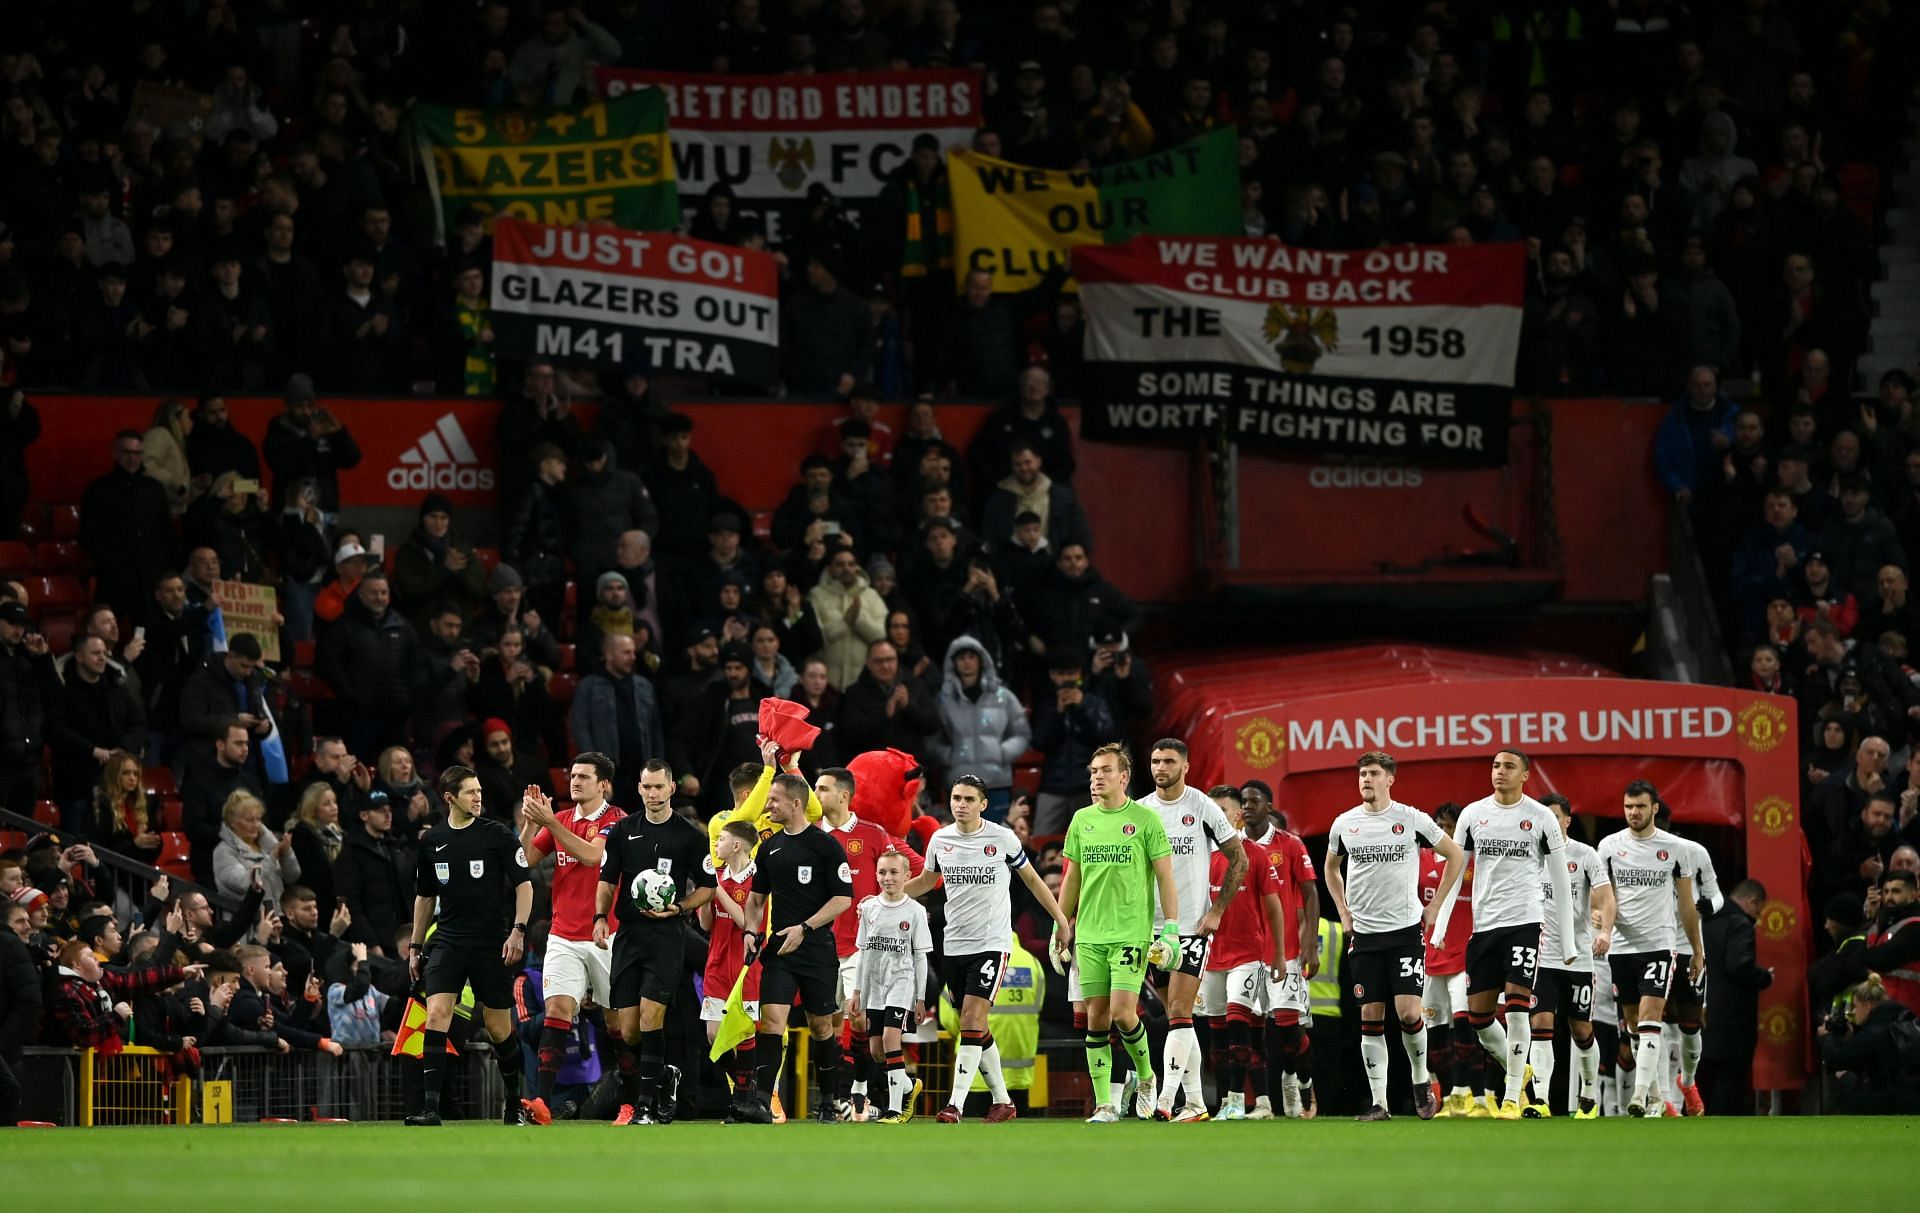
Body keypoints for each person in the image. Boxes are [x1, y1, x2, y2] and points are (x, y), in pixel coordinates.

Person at [904, 775, 1071, 1123]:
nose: (960, 804)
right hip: (953, 945)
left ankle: (956, 1104)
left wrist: (1060, 919)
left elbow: (1032, 880)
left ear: (983, 804)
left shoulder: (1002, 838)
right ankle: (1003, 1101)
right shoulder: (941, 839)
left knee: (970, 1020)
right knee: (976, 1026)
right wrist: (887, 898)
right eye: (956, 798)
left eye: (968, 799)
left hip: (992, 943)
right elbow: (926, 882)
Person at [1324, 751, 1464, 1121]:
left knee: (1408, 1013)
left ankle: (1421, 1081)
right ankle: (1379, 1103)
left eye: (1373, 774)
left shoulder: (1410, 819)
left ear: (1389, 779)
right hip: (1366, 936)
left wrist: (1434, 909)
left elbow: (1455, 856)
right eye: (1362, 774)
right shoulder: (1345, 824)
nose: (1365, 780)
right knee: (1370, 1016)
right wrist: (1342, 910)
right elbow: (1330, 868)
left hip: (1403, 932)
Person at [405, 765, 534, 1126]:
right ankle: (431, 1109)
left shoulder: (496, 836)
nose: (479, 797)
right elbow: (425, 897)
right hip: (448, 940)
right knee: (436, 1014)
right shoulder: (432, 842)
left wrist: (519, 930)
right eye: (471, 792)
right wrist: (416, 945)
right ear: (450, 798)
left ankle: (513, 1104)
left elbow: (524, 884)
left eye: (480, 791)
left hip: (490, 942)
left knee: (498, 1028)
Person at [1453, 748, 1576, 1119]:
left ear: (1525, 774)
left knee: (1518, 1007)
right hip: (1484, 925)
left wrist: (1567, 941)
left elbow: (1560, 880)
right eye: (1495, 765)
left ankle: (1510, 1099)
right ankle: (1519, 1071)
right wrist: (1440, 924)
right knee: (1478, 1019)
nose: (1499, 772)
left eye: (1508, 766)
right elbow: (1455, 871)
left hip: (1524, 921)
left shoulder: (1540, 818)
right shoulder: (1473, 815)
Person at [1060, 743, 1177, 1123]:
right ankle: (1105, 1104)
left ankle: (1145, 1077)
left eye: (1105, 770)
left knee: (1124, 1014)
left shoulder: (1144, 821)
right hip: (1089, 934)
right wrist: (1060, 927)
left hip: (1130, 932)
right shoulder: (1081, 820)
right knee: (1095, 1018)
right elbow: (1071, 878)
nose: (1097, 777)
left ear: (1123, 776)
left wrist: (1171, 928)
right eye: (1094, 771)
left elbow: (1165, 877)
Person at [593, 759, 714, 1125]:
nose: (653, 793)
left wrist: (679, 907)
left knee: (650, 1017)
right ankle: (665, 1076)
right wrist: (600, 917)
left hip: (666, 936)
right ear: (639, 788)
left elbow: (709, 886)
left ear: (672, 788)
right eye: (647, 787)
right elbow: (607, 881)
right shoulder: (622, 831)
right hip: (629, 935)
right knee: (627, 1029)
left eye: (659, 787)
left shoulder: (689, 834)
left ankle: (644, 1105)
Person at [1132, 738, 1245, 1121]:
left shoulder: (1201, 806)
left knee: (1180, 1011)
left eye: (1168, 761)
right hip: (1152, 930)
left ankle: (1165, 1100)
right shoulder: (1142, 811)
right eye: (1155, 760)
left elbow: (1239, 859)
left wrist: (1217, 911)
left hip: (1191, 927)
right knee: (1178, 1018)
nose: (1160, 767)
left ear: (1186, 767)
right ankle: (1195, 1102)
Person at [734, 772, 854, 1123]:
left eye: (773, 800)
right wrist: (750, 932)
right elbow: (756, 901)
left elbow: (843, 898)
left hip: (816, 948)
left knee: (821, 1027)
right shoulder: (770, 847)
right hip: (780, 952)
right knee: (771, 1021)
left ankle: (830, 1102)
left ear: (795, 803)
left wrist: (805, 928)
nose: (768, 805)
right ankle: (759, 1102)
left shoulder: (825, 845)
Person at [515, 750, 627, 1123]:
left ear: (604, 785)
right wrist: (531, 823)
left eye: (584, 777)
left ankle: (632, 1099)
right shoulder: (560, 819)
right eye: (572, 775)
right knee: (558, 1010)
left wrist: (552, 822)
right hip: (563, 933)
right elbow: (525, 860)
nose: (574, 781)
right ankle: (541, 1103)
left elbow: (594, 857)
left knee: (616, 1024)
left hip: (605, 934)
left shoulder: (617, 821)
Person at [815, 763, 922, 1120]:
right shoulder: (810, 835)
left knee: (857, 1021)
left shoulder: (874, 835)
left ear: (844, 795)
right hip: (818, 946)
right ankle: (840, 1098)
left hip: (862, 948)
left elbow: (908, 876)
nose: (817, 795)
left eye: (823, 789)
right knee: (827, 1025)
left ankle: (856, 1092)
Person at [1594, 780, 1706, 1118]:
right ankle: (1657, 1094)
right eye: (1629, 807)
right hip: (1622, 948)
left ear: (1654, 808)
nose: (1634, 813)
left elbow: (1687, 905)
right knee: (1632, 1026)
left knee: (1649, 1018)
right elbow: (1599, 894)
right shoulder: (1609, 847)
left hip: (1659, 944)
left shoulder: (1675, 849)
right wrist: (1598, 917)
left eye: (1640, 806)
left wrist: (1697, 951)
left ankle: (1640, 1096)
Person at [1197, 785, 1285, 1120]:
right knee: (1216, 1034)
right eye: (1212, 809)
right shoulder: (1200, 858)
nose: (1216, 816)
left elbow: (1274, 908)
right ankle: (1224, 1101)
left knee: (1239, 1023)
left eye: (1223, 810)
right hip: (1211, 956)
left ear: (1236, 816)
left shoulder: (1255, 856)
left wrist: (1277, 954)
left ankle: (1238, 1098)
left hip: (1248, 955)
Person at [1528, 792, 1614, 1118]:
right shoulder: (1530, 856)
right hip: (1541, 958)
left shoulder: (1585, 855)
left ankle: (1589, 1096)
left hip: (1577, 959)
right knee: (1541, 1026)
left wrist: (1604, 930)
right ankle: (1540, 1099)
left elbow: (1606, 898)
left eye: (1555, 817)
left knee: (1581, 1030)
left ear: (1567, 821)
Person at [851, 849, 932, 1123]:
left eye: (894, 872)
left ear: (907, 876)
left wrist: (920, 998)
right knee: (876, 1051)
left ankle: (895, 1110)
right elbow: (863, 952)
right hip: (874, 987)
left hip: (902, 983)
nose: (888, 878)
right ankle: (910, 1087)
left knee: (889, 1039)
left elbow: (920, 957)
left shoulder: (916, 911)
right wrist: (857, 992)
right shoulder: (870, 909)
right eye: (883, 872)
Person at [1656, 804, 1723, 1116]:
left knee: (1690, 1029)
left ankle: (1687, 1081)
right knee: (1657, 1027)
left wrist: (1710, 905)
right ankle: (1665, 1098)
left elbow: (1716, 893)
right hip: (1654, 949)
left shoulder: (1693, 853)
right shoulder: (1628, 851)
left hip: (1689, 950)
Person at [928, 637, 1031, 822]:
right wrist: (949, 756)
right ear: (953, 663)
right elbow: (932, 739)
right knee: (964, 844)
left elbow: (1022, 733)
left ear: (981, 660)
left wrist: (1002, 752)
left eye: (971, 657)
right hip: (960, 785)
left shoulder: (1003, 697)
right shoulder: (943, 700)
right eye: (961, 658)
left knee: (998, 842)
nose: (967, 662)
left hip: (996, 783)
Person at [700, 820, 764, 1106]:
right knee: (715, 1035)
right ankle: (746, 1090)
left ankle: (741, 1100)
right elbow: (705, 924)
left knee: (743, 1032)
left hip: (746, 966)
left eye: (721, 839)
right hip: (716, 963)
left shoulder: (759, 880)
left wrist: (714, 888)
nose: (716, 844)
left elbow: (745, 921)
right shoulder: (718, 877)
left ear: (737, 845)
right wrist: (704, 897)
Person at [1699, 878, 1774, 1116]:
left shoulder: (1704, 921)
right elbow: (1738, 966)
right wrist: (1764, 977)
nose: (1758, 915)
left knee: (1703, 1079)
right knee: (1730, 1079)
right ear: (1752, 901)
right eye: (1759, 908)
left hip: (1702, 1013)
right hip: (1733, 1018)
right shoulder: (1740, 924)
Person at [570, 634, 666, 795]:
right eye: (626, 653)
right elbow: (581, 730)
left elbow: (655, 731)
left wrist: (658, 770)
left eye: (634, 652)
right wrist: (597, 773)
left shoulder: (644, 686)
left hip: (641, 772)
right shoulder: (589, 687)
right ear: (609, 654)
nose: (633, 657)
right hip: (610, 772)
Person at [213, 791, 301, 905]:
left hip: (277, 915)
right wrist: (272, 859)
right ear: (233, 823)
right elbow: (243, 883)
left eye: (258, 819)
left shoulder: (268, 845)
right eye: (250, 820)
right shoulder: (223, 852)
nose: (256, 825)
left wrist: (286, 854)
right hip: (247, 919)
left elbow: (292, 877)